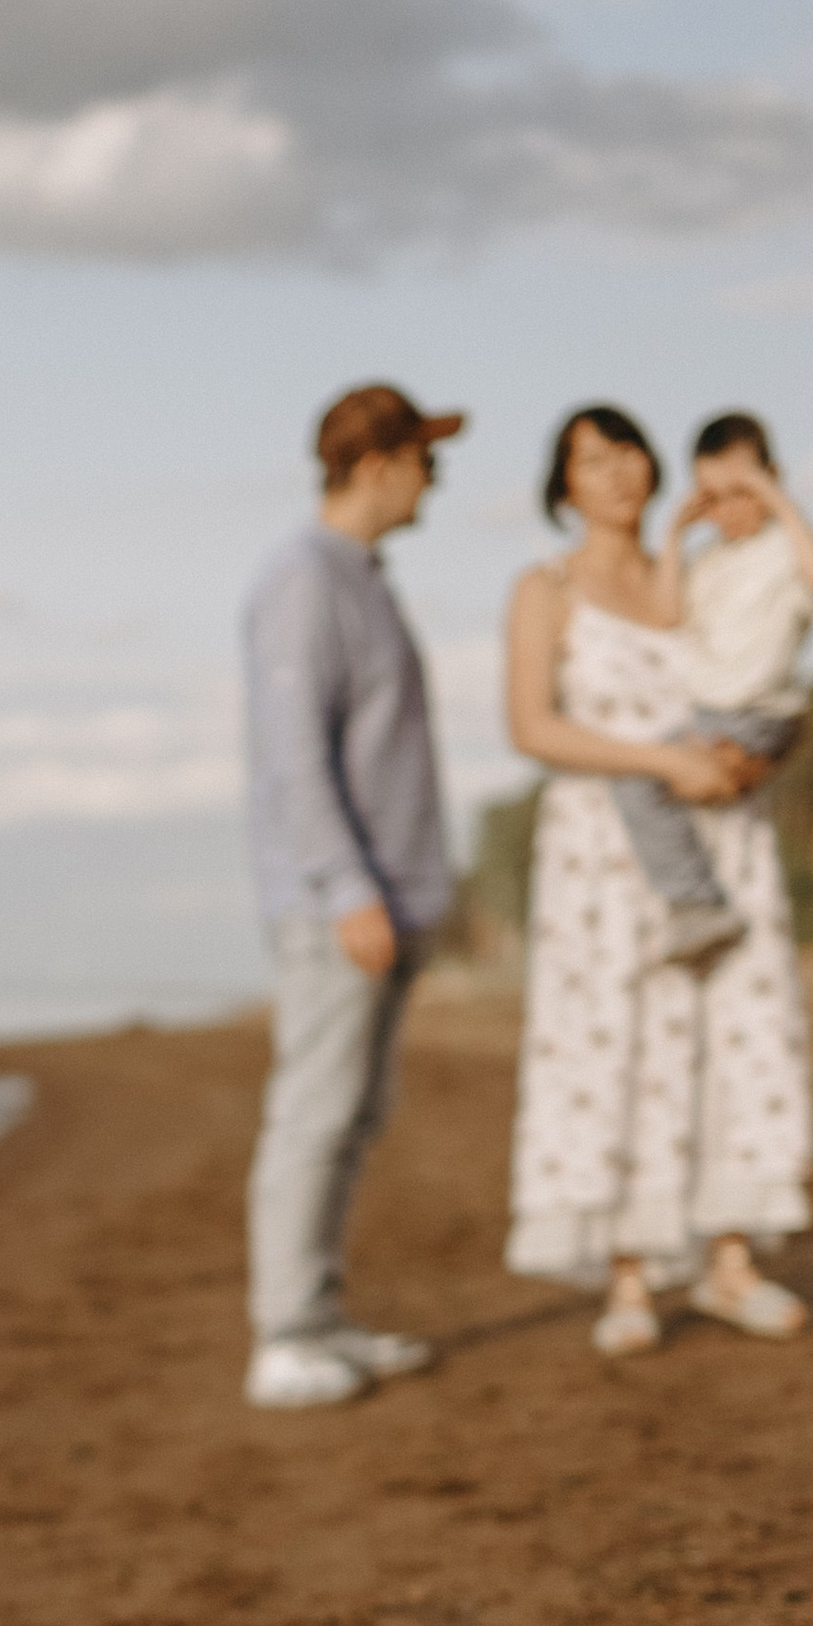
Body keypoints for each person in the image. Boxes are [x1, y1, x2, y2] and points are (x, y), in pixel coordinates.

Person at [503, 403, 813, 1357]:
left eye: (627, 449)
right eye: (589, 461)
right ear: (562, 488)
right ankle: (630, 1272)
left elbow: (771, 678)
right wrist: (657, 763)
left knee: (739, 1039)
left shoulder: (710, 569)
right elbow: (532, 727)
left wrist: (755, 760)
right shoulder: (545, 588)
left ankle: (730, 1259)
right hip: (605, 854)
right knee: (616, 1050)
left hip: (725, 834)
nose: (615, 472)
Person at [240, 378, 464, 1410]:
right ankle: (283, 1336)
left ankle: (319, 1316)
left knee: (354, 1113)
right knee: (314, 1114)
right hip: (346, 904)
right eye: (425, 456)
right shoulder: (304, 579)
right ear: (374, 464)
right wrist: (345, 889)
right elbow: (293, 757)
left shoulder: (362, 576)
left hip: (391, 899)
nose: (437, 475)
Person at [605, 411, 813, 970]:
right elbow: (667, 613)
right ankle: (697, 902)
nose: (727, 510)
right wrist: (672, 534)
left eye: (741, 493)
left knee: (648, 777)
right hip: (714, 714)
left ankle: (698, 903)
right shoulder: (708, 561)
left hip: (757, 714)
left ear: (772, 480)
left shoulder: (791, 550)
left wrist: (778, 502)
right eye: (711, 498)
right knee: (638, 776)